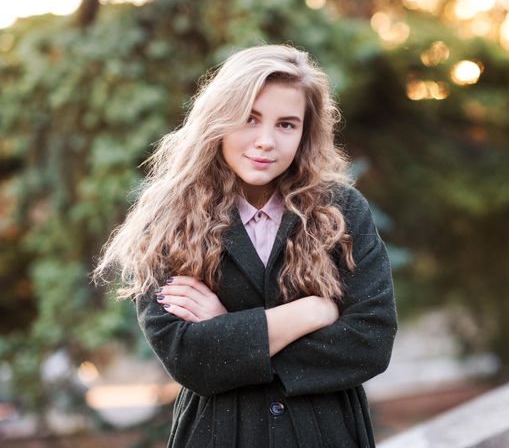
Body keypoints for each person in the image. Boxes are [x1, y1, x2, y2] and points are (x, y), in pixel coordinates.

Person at [92, 44, 397, 447]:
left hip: (326, 433)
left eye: (286, 124)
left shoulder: (339, 209)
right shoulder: (168, 219)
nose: (266, 141)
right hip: (221, 434)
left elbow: (369, 341)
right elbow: (189, 357)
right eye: (249, 119)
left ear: (306, 133)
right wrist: (312, 311)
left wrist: (228, 331)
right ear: (218, 119)